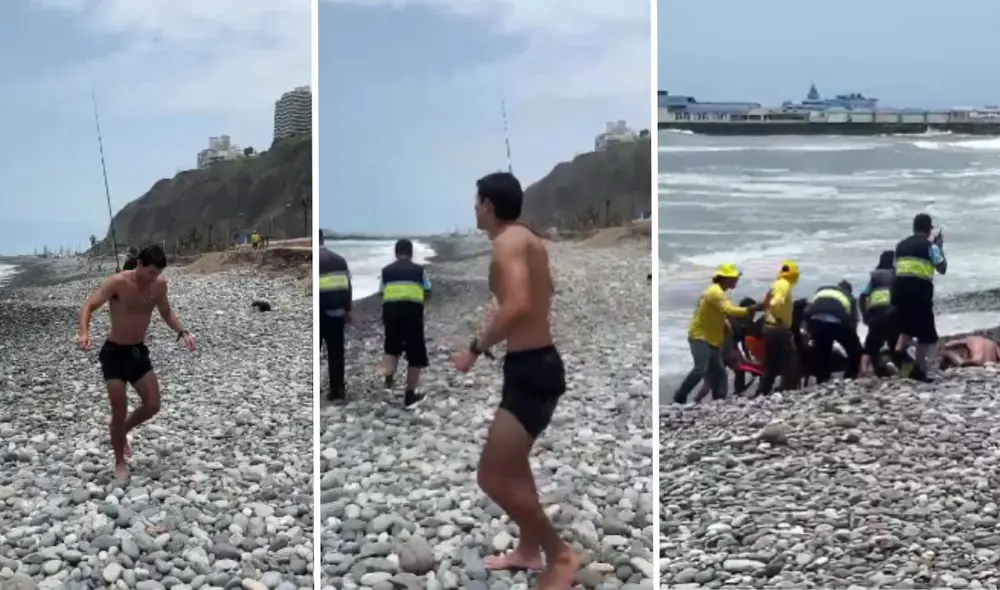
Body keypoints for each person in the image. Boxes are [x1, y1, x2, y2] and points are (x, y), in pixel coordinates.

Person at [451, 171, 578, 590]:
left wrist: (475, 347)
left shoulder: (508, 242)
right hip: (536, 364)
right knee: (516, 465)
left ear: (488, 204)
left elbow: (519, 305)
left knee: (492, 476)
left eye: (476, 200)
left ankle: (559, 556)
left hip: (531, 372)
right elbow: (546, 292)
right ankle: (527, 549)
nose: (473, 207)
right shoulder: (529, 239)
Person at [77, 245, 195, 480]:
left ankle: (124, 433)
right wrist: (84, 333)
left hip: (138, 352)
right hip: (113, 354)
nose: (153, 278)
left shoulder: (160, 285)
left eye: (157, 274)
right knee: (118, 412)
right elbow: (89, 306)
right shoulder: (118, 283)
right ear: (139, 265)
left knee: (152, 405)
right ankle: (120, 461)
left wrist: (183, 332)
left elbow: (166, 312)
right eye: (150, 273)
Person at [673, 264, 763, 403]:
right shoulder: (715, 292)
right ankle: (680, 396)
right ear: (724, 278)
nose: (736, 281)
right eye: (733, 278)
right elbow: (729, 310)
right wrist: (751, 309)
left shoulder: (720, 292)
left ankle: (718, 401)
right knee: (700, 369)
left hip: (713, 339)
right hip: (700, 337)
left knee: (720, 373)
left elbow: (725, 313)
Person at [892, 213, 946, 380]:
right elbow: (942, 268)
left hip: (899, 291)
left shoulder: (900, 246)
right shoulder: (930, 246)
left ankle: (898, 355)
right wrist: (940, 246)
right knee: (927, 334)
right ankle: (919, 369)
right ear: (929, 230)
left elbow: (895, 269)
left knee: (906, 329)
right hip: (920, 292)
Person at [379, 238, 432, 408]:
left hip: (391, 313)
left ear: (396, 252)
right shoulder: (419, 271)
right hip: (412, 314)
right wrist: (422, 303)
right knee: (415, 352)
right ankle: (410, 395)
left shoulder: (386, 271)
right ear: (411, 253)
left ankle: (388, 379)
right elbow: (428, 291)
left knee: (391, 345)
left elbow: (381, 293)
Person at [802, 280, 863, 383]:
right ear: (849, 290)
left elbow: (807, 311)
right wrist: (853, 337)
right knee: (855, 350)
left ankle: (822, 378)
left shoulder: (822, 291)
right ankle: (851, 375)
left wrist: (810, 332)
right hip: (837, 322)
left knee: (823, 351)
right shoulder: (849, 297)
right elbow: (853, 320)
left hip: (816, 320)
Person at [318, 229, 353, 401]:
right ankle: (337, 389)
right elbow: (347, 285)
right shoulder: (340, 260)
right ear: (323, 239)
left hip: (319, 313)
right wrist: (348, 309)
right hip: (337, 313)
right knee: (336, 353)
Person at [757, 260, 800, 395]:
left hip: (769, 329)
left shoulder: (775, 284)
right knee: (791, 362)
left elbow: (765, 303)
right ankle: (788, 391)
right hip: (778, 329)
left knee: (771, 362)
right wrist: (779, 320)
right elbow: (776, 303)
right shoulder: (784, 285)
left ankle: (763, 391)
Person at [859, 250, 899, 376]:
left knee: (870, 347)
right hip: (893, 313)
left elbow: (863, 296)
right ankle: (899, 368)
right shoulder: (897, 274)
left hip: (876, 314)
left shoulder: (875, 276)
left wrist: (864, 315)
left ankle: (864, 370)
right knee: (895, 344)